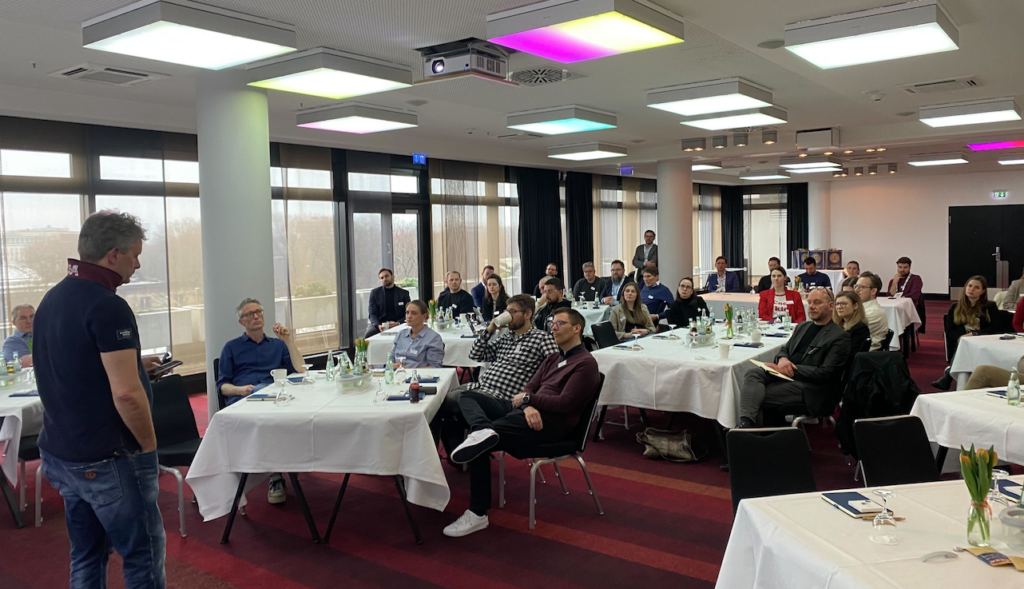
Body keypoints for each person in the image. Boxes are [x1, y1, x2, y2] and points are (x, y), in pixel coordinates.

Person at [34, 211, 167, 588]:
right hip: (107, 457)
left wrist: (135, 364)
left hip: (62, 452)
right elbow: (126, 394)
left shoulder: (53, 297)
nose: (138, 265)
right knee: (143, 554)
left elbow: (71, 360)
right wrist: (149, 445)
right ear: (113, 254)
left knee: (87, 555)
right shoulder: (107, 305)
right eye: (134, 255)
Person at [443, 308, 599, 538]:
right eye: (552, 323)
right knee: (468, 395)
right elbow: (529, 388)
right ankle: (481, 429)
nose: (553, 327)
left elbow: (564, 403)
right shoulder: (554, 357)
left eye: (560, 323)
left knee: (477, 445)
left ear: (577, 328)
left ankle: (477, 514)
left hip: (551, 425)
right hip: (528, 413)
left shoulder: (585, 364)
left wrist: (528, 401)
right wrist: (528, 404)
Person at [432, 294, 558, 457]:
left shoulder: (541, 338)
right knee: (437, 403)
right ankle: (461, 452)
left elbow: (555, 369)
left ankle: (476, 437)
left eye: (512, 312)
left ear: (527, 314)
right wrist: (489, 330)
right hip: (481, 388)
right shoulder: (506, 338)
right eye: (507, 311)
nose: (508, 316)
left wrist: (531, 400)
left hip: (503, 396)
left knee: (450, 402)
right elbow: (476, 354)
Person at [217, 297, 306, 505]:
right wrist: (240, 390)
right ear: (242, 322)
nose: (256, 316)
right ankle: (276, 474)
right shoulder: (230, 348)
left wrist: (288, 340)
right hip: (245, 399)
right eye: (250, 314)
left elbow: (300, 369)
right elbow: (223, 386)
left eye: (259, 312)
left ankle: (282, 466)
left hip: (274, 396)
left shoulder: (277, 345)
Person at [737, 288, 851, 427]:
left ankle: (748, 430)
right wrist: (782, 360)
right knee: (753, 373)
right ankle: (748, 427)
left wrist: (788, 369)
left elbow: (826, 373)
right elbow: (785, 349)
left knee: (755, 396)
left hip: (812, 387)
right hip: (787, 376)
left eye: (817, 302)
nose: (812, 306)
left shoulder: (839, 336)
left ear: (831, 306)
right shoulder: (803, 326)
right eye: (809, 302)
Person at [933, 276, 1001, 390]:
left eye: (976, 287)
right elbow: (949, 331)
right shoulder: (955, 307)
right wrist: (961, 337)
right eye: (970, 286)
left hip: (983, 341)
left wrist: (974, 335)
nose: (972, 289)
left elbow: (995, 328)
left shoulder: (990, 307)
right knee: (964, 343)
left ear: (983, 291)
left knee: (966, 343)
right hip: (962, 343)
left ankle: (949, 373)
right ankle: (953, 376)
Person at [391, 300, 444, 368]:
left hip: (418, 376)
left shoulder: (433, 338)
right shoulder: (401, 334)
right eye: (407, 313)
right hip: (397, 374)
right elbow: (391, 359)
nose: (409, 316)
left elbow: (435, 367)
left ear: (424, 316)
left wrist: (408, 370)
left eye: (414, 313)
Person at [366, 268, 410, 338]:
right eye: (382, 278)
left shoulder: (403, 293)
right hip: (380, 324)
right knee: (369, 334)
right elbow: (372, 314)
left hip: (399, 323)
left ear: (392, 276)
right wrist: (378, 325)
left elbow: (408, 312)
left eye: (386, 276)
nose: (384, 279)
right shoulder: (375, 293)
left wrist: (398, 323)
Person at [853, 272, 890, 351]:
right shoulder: (862, 307)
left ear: (873, 291)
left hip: (863, 355)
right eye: (856, 286)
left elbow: (850, 332)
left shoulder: (873, 313)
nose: (856, 290)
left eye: (861, 287)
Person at [833, 291, 872, 355]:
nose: (839, 307)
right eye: (837, 304)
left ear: (855, 306)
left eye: (843, 303)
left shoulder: (861, 328)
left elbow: (851, 354)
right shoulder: (836, 325)